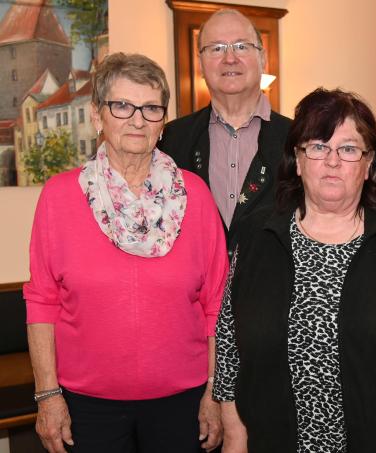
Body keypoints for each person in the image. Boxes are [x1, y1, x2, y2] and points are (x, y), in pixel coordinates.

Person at [212, 88, 376, 453]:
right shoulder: (255, 236)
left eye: (347, 149)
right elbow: (229, 344)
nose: (332, 161)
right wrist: (234, 434)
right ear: (298, 161)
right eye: (317, 146)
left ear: (368, 164)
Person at [24, 53, 229, 453]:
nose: (137, 119)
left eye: (151, 108)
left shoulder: (197, 196)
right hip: (85, 407)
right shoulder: (59, 196)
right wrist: (47, 396)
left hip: (183, 404)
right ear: (98, 116)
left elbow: (217, 302)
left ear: (163, 121)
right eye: (122, 105)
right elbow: (42, 302)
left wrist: (213, 392)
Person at [159, 8, 291, 253]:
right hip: (197, 290)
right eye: (217, 48)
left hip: (274, 288)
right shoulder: (170, 140)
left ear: (262, 58)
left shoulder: (299, 139)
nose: (230, 58)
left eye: (241, 46)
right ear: (200, 63)